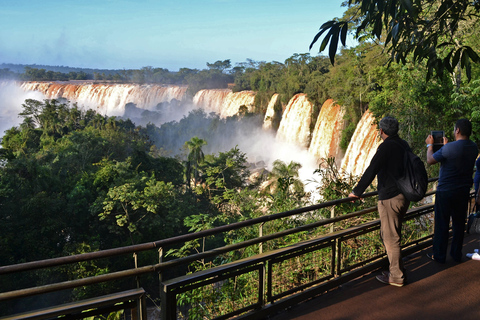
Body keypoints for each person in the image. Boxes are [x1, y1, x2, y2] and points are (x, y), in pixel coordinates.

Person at [348, 116, 410, 287]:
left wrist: (356, 192)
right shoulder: (403, 145)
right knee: (393, 234)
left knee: (391, 238)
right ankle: (397, 270)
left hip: (390, 197)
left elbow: (372, 170)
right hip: (404, 196)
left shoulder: (386, 147)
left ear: (382, 131)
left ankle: (396, 276)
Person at [425, 119, 478, 263]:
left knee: (442, 224)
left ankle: (439, 255)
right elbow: (457, 156)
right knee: (459, 224)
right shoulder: (474, 147)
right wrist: (447, 146)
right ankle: (456, 254)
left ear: (458, 130)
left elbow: (430, 160)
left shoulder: (449, 149)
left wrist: (430, 145)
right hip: (463, 191)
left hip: (445, 191)